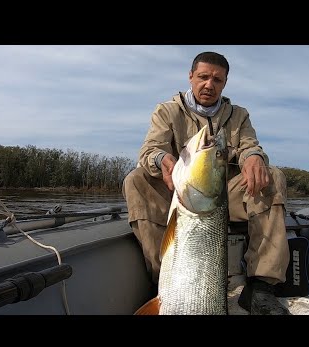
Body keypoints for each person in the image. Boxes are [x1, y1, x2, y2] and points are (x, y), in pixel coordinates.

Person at [122, 51, 290, 315]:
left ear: (224, 83)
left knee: (272, 176)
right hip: (176, 192)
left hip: (221, 197)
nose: (209, 85)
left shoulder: (239, 115)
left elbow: (249, 145)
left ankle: (261, 287)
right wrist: (160, 159)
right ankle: (163, 280)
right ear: (190, 77)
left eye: (217, 80)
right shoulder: (167, 111)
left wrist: (254, 157)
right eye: (203, 77)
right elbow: (149, 151)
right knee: (136, 180)